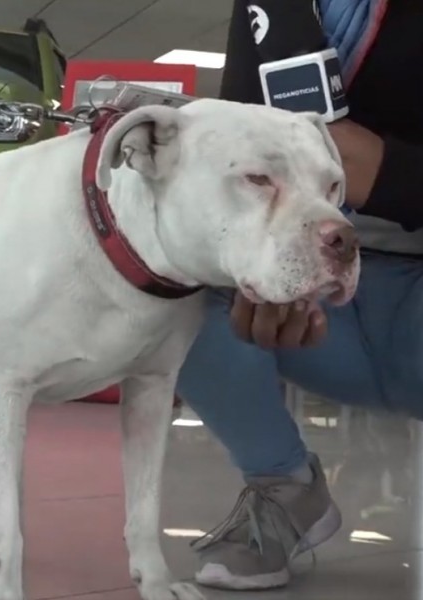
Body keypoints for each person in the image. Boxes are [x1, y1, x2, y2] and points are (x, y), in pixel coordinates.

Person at [176, 0, 423, 591]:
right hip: (324, 294)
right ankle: (284, 489)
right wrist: (262, 254)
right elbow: (242, 120)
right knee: (169, 285)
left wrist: (383, 172)